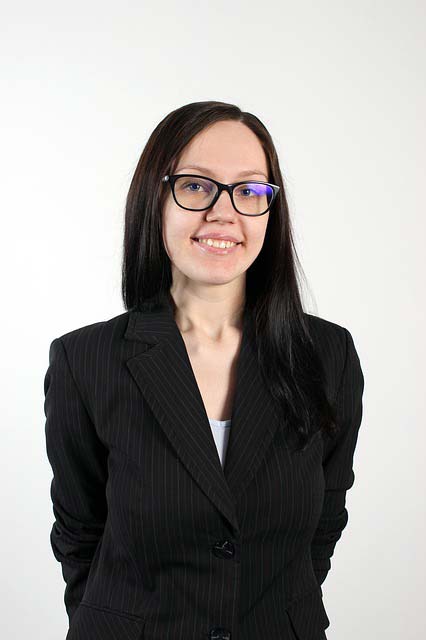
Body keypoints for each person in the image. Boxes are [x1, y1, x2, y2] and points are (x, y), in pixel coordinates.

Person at [44, 100, 364, 640]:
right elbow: (80, 537)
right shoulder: (86, 361)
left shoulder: (328, 354)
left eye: (249, 190)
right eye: (196, 186)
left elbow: (324, 524)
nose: (224, 212)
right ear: (154, 198)